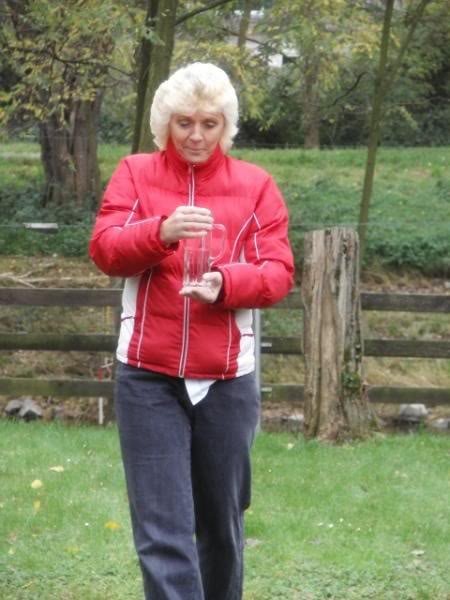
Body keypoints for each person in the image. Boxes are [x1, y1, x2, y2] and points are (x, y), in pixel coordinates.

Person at [89, 62, 294, 600]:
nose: (196, 135)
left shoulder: (256, 186)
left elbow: (278, 273)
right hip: (147, 376)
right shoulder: (135, 174)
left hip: (228, 379)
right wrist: (160, 231)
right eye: (184, 122)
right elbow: (106, 250)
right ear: (165, 124)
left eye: (209, 123)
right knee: (162, 532)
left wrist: (226, 283)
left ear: (225, 125)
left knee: (222, 526)